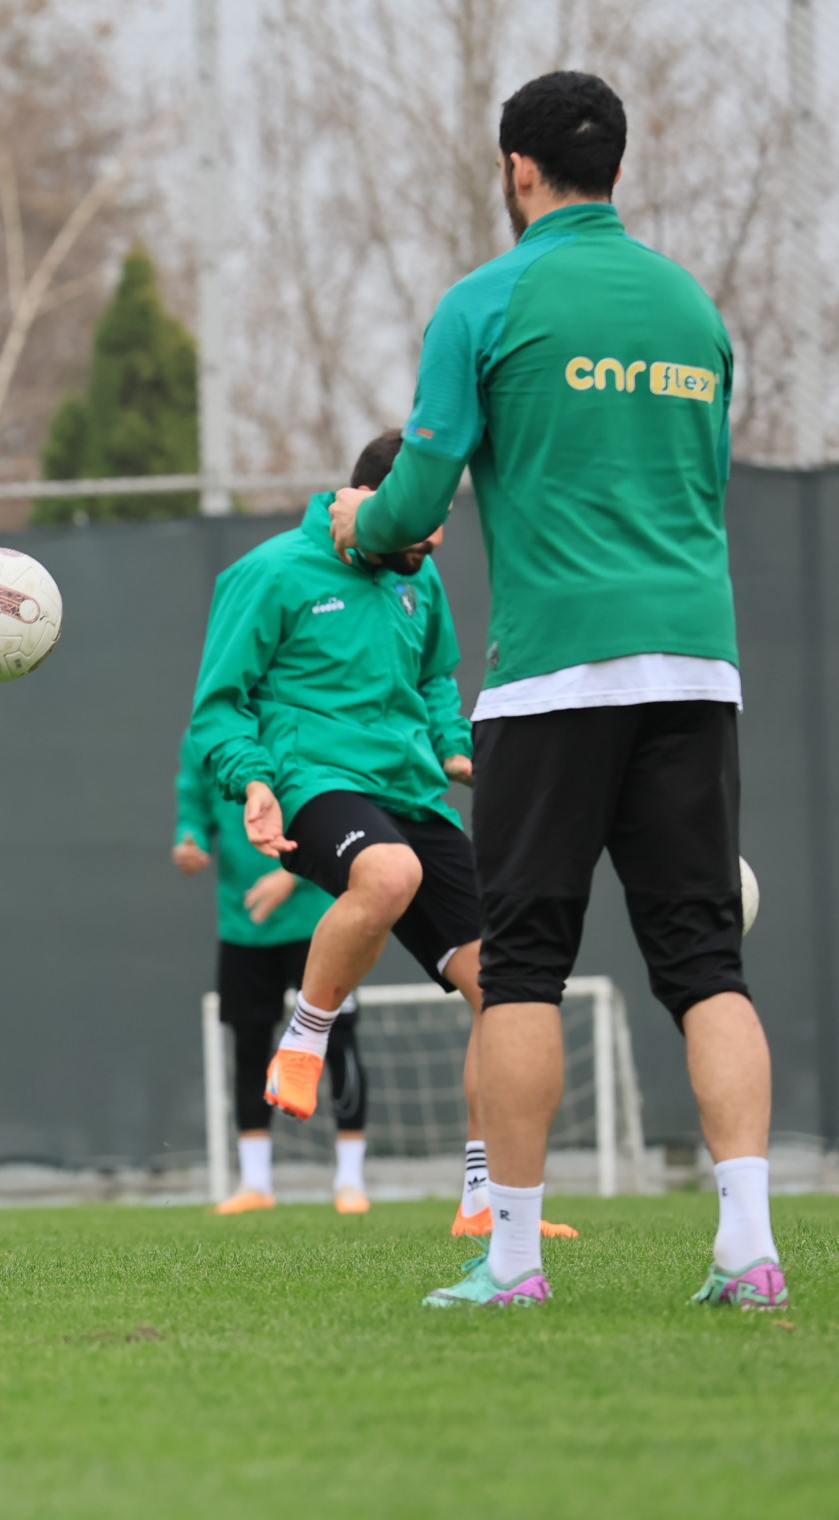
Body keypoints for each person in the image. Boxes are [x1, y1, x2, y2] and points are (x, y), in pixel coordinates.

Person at [330, 73, 779, 1310]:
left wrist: (365, 518)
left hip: (554, 679)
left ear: (517, 169)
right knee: (707, 962)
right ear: (614, 168)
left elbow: (419, 506)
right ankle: (749, 1246)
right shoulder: (693, 309)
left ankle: (514, 1260)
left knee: (521, 969)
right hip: (696, 663)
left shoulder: (486, 300)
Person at [192, 429, 577, 1246]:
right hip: (317, 781)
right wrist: (254, 780)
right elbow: (218, 706)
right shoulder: (268, 574)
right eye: (421, 519)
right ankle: (305, 1038)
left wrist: (454, 747)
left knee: (508, 991)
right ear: (369, 503)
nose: (434, 537)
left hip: (413, 792)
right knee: (390, 873)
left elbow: (436, 677)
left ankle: (485, 1202)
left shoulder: (419, 581)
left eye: (440, 520)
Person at [174, 732, 369, 1214]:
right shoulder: (205, 736)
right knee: (249, 1046)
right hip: (244, 925)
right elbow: (193, 806)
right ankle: (256, 1183)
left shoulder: (296, 724)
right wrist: (189, 843)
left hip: (318, 922)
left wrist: (292, 874)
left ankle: (350, 1180)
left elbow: (337, 811)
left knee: (339, 1041)